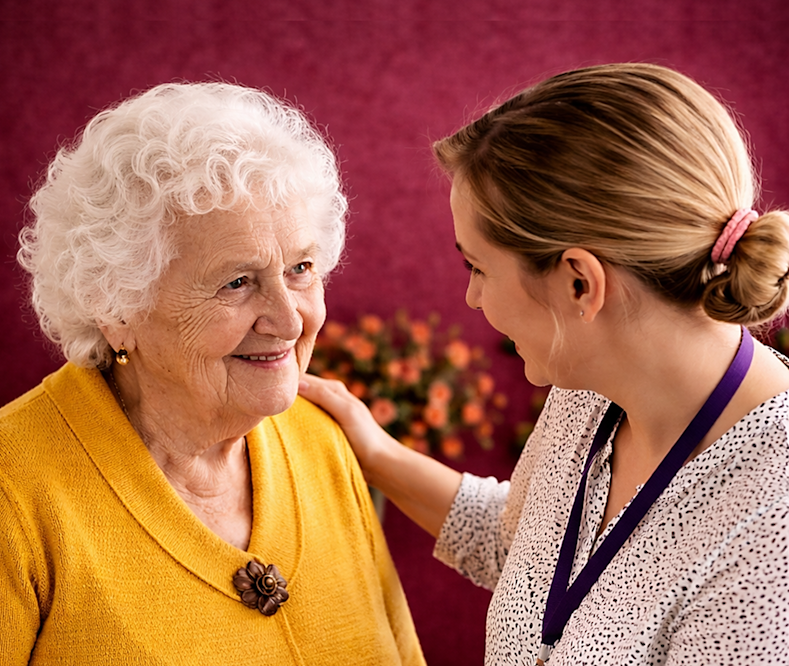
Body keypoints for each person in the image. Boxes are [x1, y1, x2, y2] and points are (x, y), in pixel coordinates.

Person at [299, 63, 789, 664]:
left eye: (477, 267)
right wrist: (374, 453)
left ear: (580, 283)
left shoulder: (773, 529)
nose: (472, 296)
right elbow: (527, 556)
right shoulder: (591, 385)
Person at [0, 82, 425, 665]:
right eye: (237, 282)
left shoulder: (323, 444)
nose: (290, 320)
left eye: (300, 269)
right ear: (116, 307)